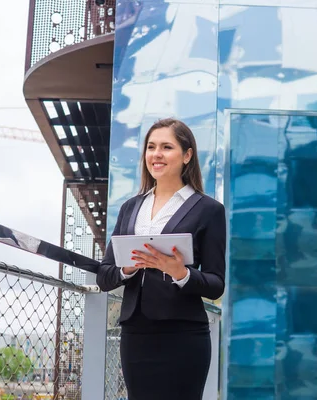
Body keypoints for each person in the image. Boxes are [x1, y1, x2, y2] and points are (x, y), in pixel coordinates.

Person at [96, 118, 226, 400]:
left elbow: (216, 284)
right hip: (136, 334)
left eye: (167, 147)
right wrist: (127, 268)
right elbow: (104, 276)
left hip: (184, 334)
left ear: (187, 155)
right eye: (151, 147)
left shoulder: (209, 210)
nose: (156, 154)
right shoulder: (130, 208)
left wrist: (181, 273)